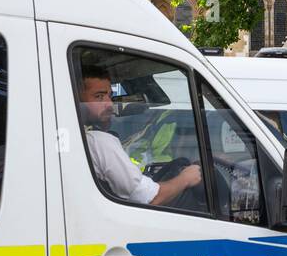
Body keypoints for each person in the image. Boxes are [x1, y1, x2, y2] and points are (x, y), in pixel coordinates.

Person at [79, 64, 202, 207]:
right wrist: (186, 178)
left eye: (110, 96)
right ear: (76, 99)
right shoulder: (98, 141)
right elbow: (150, 198)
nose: (109, 104)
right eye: (99, 97)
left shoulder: (78, 139)